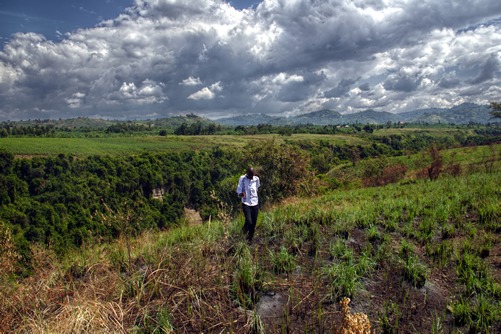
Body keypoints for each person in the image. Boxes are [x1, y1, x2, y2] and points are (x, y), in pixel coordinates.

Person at [236, 167, 260, 242]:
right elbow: (238, 190)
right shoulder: (242, 178)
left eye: (253, 175)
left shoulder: (256, 179)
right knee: (249, 221)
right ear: (247, 174)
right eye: (250, 175)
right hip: (246, 203)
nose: (251, 177)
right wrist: (241, 194)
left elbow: (257, 188)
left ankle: (249, 240)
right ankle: (243, 233)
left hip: (255, 202)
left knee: (254, 223)